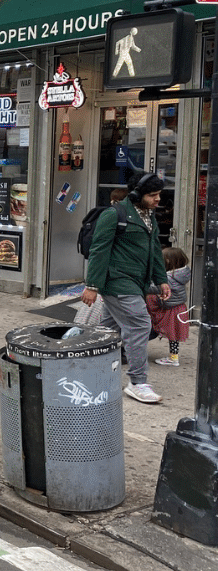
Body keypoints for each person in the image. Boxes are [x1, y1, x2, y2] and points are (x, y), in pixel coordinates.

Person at [81, 171, 171, 404]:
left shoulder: (149, 217)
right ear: (136, 194)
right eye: (153, 195)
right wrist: (92, 285)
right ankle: (138, 381)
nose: (157, 199)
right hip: (118, 282)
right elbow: (99, 251)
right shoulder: (114, 214)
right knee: (140, 323)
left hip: (135, 282)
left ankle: (85, 366)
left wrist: (162, 280)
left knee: (106, 330)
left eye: (159, 194)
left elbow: (155, 251)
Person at [149, 246, 190, 367]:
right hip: (178, 307)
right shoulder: (182, 273)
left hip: (172, 309)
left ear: (167, 262)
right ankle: (174, 357)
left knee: (172, 333)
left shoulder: (169, 278)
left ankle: (173, 359)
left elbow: (154, 289)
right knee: (174, 336)